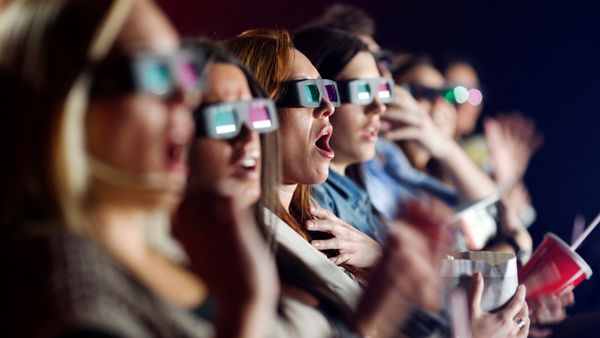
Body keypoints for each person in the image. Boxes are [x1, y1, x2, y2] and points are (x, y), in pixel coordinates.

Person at [0, 0, 275, 337]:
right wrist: (246, 309)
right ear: (69, 102)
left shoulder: (172, 249)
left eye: (185, 72)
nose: (187, 97)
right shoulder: (57, 293)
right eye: (158, 73)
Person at [226, 28, 448, 338]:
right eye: (310, 93)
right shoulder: (251, 240)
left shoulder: (315, 223)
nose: (330, 107)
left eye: (329, 92)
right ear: (259, 112)